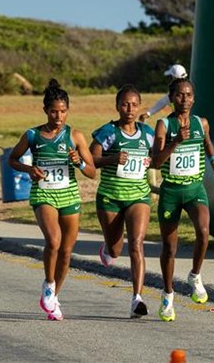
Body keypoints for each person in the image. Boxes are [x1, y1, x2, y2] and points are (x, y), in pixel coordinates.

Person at [8, 79, 96, 321]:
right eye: (54, 111)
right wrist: (29, 169)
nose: (59, 117)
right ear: (45, 110)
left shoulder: (75, 136)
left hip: (69, 194)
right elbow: (13, 159)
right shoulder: (33, 135)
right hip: (43, 193)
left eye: (63, 111)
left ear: (68, 110)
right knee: (54, 241)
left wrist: (79, 162)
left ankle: (54, 297)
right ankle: (48, 284)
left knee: (66, 252)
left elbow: (92, 172)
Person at [151, 78, 214, 322]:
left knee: (204, 232)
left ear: (194, 99)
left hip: (195, 189)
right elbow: (156, 162)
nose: (184, 99)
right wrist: (175, 142)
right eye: (179, 95)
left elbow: (207, 143)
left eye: (189, 95)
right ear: (171, 98)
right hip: (171, 192)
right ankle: (168, 294)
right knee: (169, 248)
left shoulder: (201, 123)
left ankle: (195, 275)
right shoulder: (164, 125)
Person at [89, 84, 155, 318]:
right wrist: (112, 159)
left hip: (138, 196)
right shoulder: (108, 132)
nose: (130, 109)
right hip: (111, 197)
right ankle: (108, 248)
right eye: (125, 104)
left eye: (134, 105)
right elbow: (90, 160)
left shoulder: (147, 133)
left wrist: (152, 160)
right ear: (117, 106)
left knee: (136, 244)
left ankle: (137, 299)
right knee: (116, 250)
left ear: (140, 107)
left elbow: (156, 157)